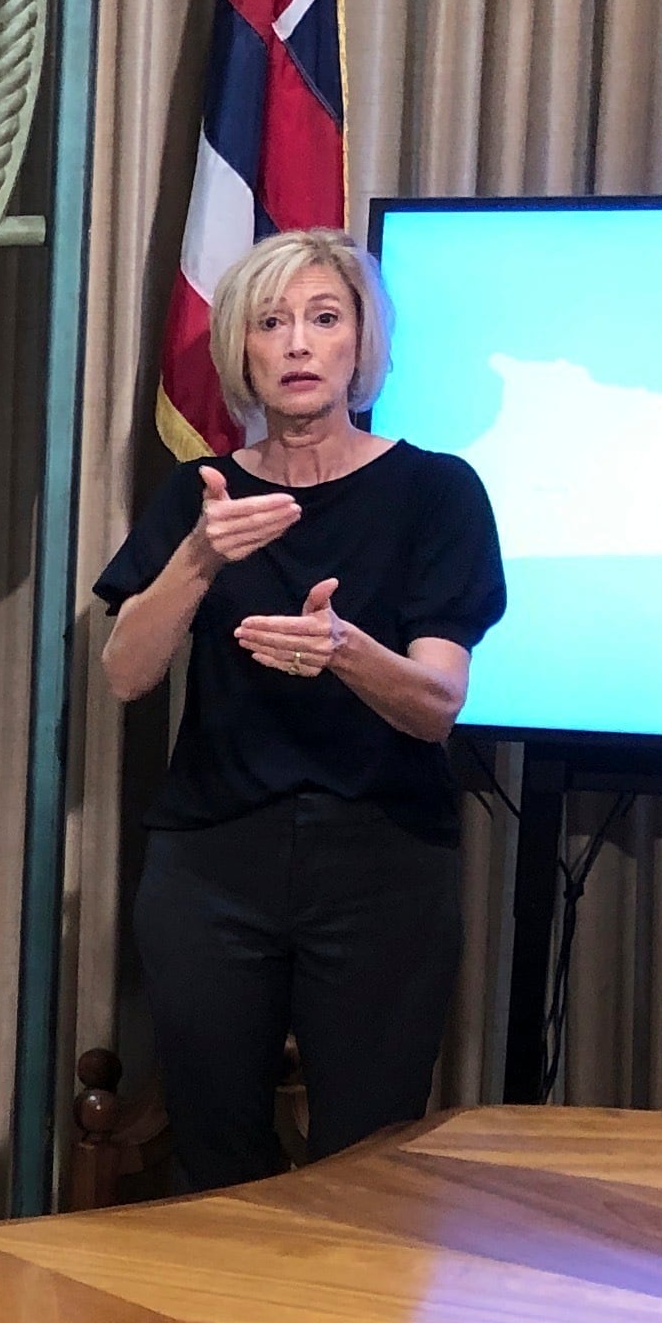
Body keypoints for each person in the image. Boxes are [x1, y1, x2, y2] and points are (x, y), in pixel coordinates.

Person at [95, 227, 506, 1190]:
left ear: (361, 344)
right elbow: (125, 674)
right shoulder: (204, 499)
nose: (297, 345)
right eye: (272, 323)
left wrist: (345, 651)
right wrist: (199, 556)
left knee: (367, 1159)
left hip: (381, 858)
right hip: (213, 860)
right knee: (213, 1154)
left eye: (324, 319)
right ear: (241, 349)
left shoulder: (437, 493)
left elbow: (436, 706)